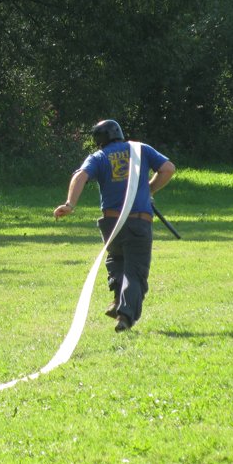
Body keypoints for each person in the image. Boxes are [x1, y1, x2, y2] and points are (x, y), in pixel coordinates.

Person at [52, 119, 175, 332]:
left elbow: (80, 175)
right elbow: (168, 169)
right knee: (135, 270)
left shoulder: (99, 157)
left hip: (111, 223)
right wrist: (150, 189)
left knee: (116, 260)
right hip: (138, 221)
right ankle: (125, 315)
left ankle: (118, 299)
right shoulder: (141, 149)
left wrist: (70, 204)